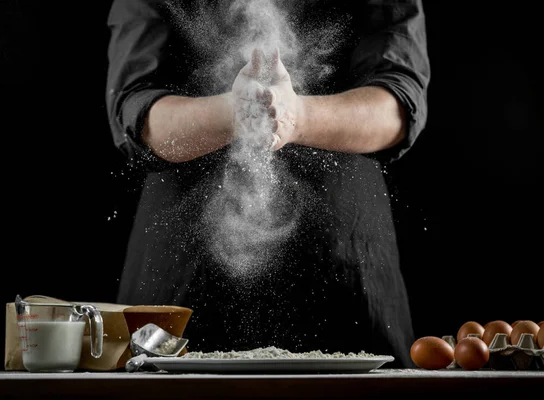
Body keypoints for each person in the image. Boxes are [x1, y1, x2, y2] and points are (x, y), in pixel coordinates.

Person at [105, 0, 429, 368]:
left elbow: (399, 103)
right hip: (180, 273)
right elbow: (134, 109)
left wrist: (297, 117)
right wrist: (234, 115)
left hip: (346, 262)